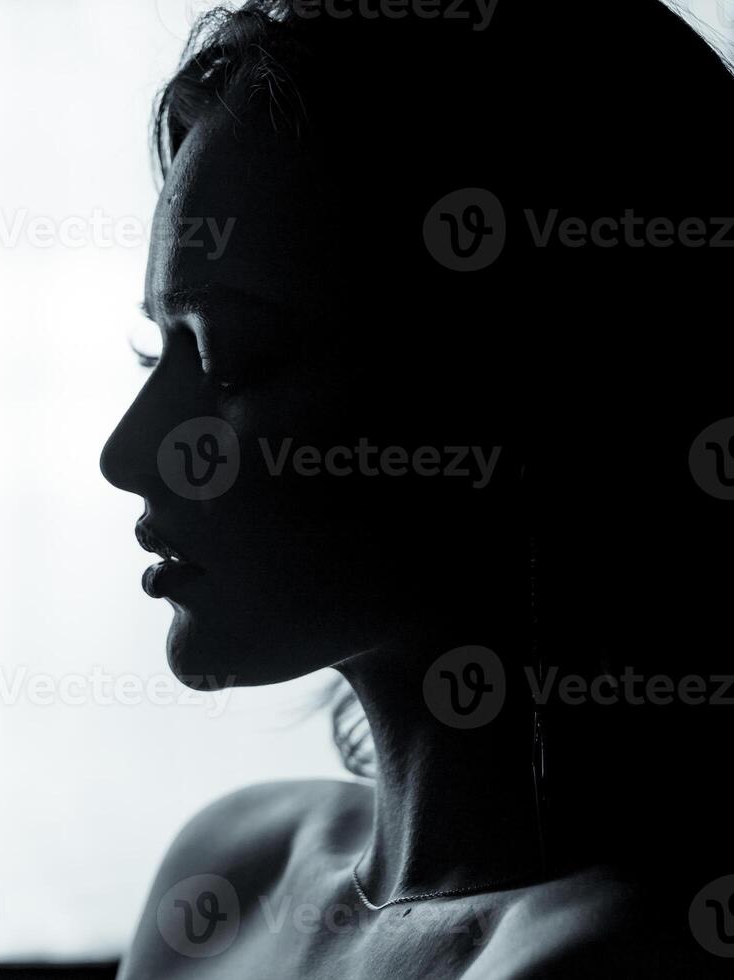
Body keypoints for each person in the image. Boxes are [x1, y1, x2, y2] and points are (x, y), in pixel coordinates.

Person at [100, 2, 734, 976]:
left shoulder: (608, 955)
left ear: (519, 382)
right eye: (157, 348)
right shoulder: (230, 872)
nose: (128, 450)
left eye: (232, 355)